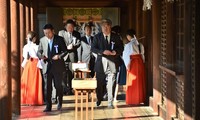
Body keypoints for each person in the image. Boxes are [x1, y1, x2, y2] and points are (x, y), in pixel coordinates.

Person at [91, 18, 124, 109]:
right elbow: (93, 48)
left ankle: (110, 102)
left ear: (110, 27)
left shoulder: (116, 37)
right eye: (103, 26)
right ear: (101, 28)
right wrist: (102, 52)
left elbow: (121, 48)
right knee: (100, 83)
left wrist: (115, 52)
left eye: (107, 26)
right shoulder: (97, 37)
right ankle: (99, 99)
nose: (105, 28)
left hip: (112, 62)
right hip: (101, 62)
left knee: (111, 83)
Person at [37, 24, 68, 112]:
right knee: (47, 87)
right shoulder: (42, 40)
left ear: (53, 31)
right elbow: (39, 52)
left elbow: (65, 51)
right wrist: (41, 56)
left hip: (57, 66)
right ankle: (48, 105)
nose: (47, 35)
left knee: (58, 86)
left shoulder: (59, 39)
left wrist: (59, 56)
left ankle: (60, 101)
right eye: (45, 33)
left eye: (48, 33)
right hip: (47, 66)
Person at [122, 29, 146, 105]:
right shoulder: (140, 44)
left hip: (133, 64)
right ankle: (140, 99)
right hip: (140, 63)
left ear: (128, 36)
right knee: (139, 80)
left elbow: (126, 56)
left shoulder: (129, 45)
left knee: (132, 81)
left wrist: (127, 66)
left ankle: (133, 99)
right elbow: (142, 55)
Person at [58, 19, 81, 95]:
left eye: (72, 27)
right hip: (63, 55)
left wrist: (73, 46)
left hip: (72, 56)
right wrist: (66, 47)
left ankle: (71, 89)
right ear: (66, 27)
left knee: (71, 73)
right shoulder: (61, 33)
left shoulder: (77, 34)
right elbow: (59, 43)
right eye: (69, 27)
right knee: (63, 73)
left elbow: (78, 43)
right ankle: (64, 89)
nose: (70, 28)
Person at [21, 31, 43, 105]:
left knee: (31, 82)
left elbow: (26, 57)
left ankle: (31, 99)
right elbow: (26, 56)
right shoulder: (30, 47)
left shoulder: (32, 47)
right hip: (32, 64)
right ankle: (31, 99)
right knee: (31, 81)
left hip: (32, 64)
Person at [111, 25, 126, 102]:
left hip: (114, 61)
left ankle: (112, 96)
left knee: (114, 79)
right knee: (116, 79)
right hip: (117, 61)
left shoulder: (113, 39)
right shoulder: (117, 39)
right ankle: (113, 97)